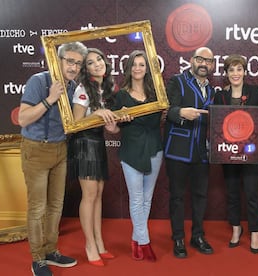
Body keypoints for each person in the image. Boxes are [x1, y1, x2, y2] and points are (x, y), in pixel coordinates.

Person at [18, 42, 88, 276]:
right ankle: (38, 258)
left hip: (60, 150)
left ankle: (50, 251)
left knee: (56, 206)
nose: (74, 67)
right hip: (36, 150)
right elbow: (23, 119)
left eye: (78, 63)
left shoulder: (73, 87)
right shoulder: (38, 81)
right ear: (57, 60)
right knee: (38, 208)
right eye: (70, 61)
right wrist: (50, 99)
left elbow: (75, 122)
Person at [67, 48, 122, 267]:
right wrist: (96, 113)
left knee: (98, 194)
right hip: (83, 144)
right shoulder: (83, 88)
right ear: (86, 69)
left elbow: (113, 129)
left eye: (99, 59)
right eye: (90, 62)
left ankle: (99, 243)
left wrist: (113, 126)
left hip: (98, 142)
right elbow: (75, 124)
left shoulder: (106, 88)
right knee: (89, 196)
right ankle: (89, 245)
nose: (97, 64)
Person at [110, 50, 163, 262]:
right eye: (134, 64)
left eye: (142, 64)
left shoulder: (156, 93)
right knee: (137, 198)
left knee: (147, 198)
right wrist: (116, 121)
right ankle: (144, 242)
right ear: (129, 68)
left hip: (154, 148)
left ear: (147, 69)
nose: (138, 68)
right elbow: (113, 128)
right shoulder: (121, 95)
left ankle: (135, 239)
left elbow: (159, 118)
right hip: (131, 150)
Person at [164, 47, 215, 258]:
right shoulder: (177, 81)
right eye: (200, 59)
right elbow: (166, 109)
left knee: (201, 195)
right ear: (192, 60)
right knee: (177, 197)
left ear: (212, 65)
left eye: (208, 61)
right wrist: (181, 112)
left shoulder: (212, 90)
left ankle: (198, 236)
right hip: (178, 149)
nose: (204, 63)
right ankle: (178, 238)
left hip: (201, 151)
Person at [213, 54, 258, 254]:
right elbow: (217, 124)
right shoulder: (220, 96)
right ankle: (236, 229)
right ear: (226, 73)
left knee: (252, 194)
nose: (235, 73)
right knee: (233, 193)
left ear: (245, 71)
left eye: (239, 69)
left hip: (252, 152)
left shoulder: (255, 92)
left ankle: (254, 233)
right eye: (231, 70)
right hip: (229, 153)